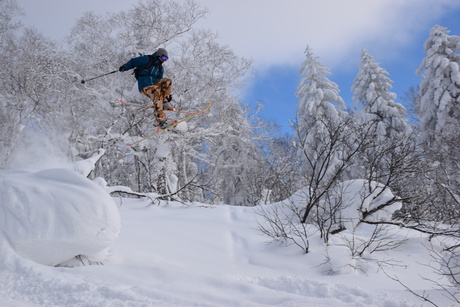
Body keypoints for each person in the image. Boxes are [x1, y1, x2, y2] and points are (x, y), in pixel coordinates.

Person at [119, 48, 173, 128]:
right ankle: (160, 121)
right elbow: (134, 61)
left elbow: (161, 81)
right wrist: (125, 67)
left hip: (154, 85)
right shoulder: (147, 59)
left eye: (166, 59)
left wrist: (166, 94)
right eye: (164, 58)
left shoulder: (160, 68)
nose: (164, 60)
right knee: (157, 96)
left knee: (168, 81)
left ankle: (164, 102)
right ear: (159, 55)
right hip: (145, 85)